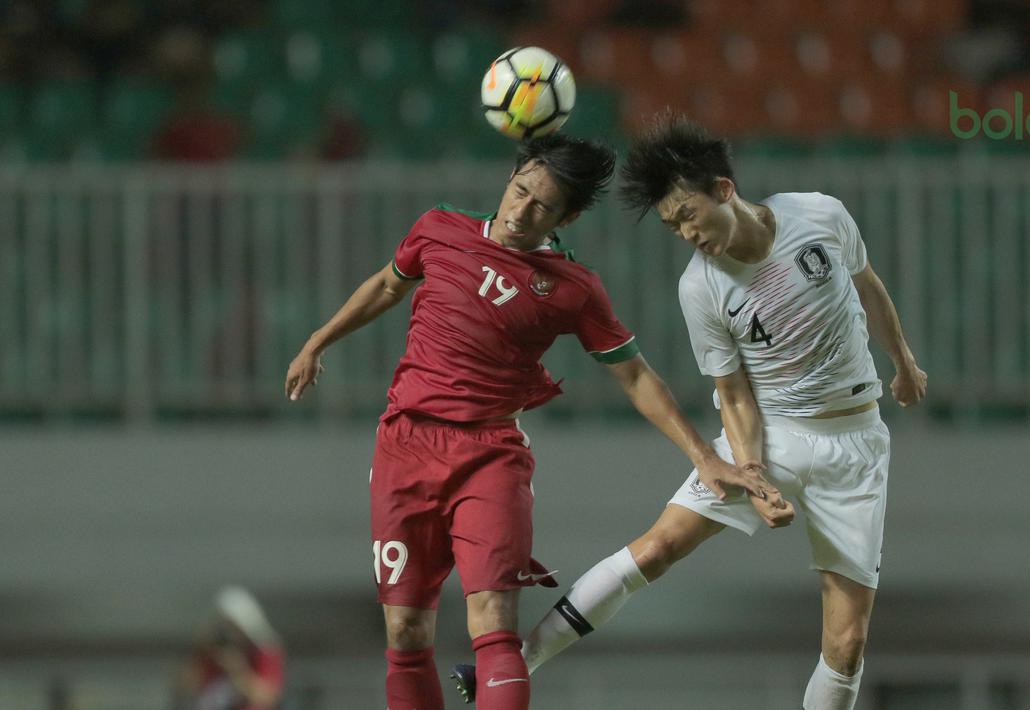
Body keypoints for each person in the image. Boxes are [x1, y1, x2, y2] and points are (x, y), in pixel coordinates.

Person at [283, 133, 790, 710]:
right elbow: (385, 286)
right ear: (510, 178)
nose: (521, 211)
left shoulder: (571, 288)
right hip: (405, 445)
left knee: (493, 622)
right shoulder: (439, 228)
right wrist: (318, 341)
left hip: (489, 454)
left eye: (541, 205)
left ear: (566, 217)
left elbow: (636, 377)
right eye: (519, 191)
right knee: (404, 631)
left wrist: (704, 456)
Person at [452, 113, 928, 710]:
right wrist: (752, 476)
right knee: (657, 548)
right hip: (771, 434)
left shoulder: (821, 215)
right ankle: (510, 669)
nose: (684, 234)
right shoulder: (700, 287)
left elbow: (868, 285)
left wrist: (903, 360)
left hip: (856, 443)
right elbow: (733, 395)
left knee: (848, 641)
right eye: (672, 226)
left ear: (723, 191)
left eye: (687, 215)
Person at [172, 586, 285, 710]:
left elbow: (267, 696)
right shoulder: (211, 652)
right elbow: (186, 685)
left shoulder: (264, 651)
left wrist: (237, 669)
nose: (229, 633)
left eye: (233, 627)